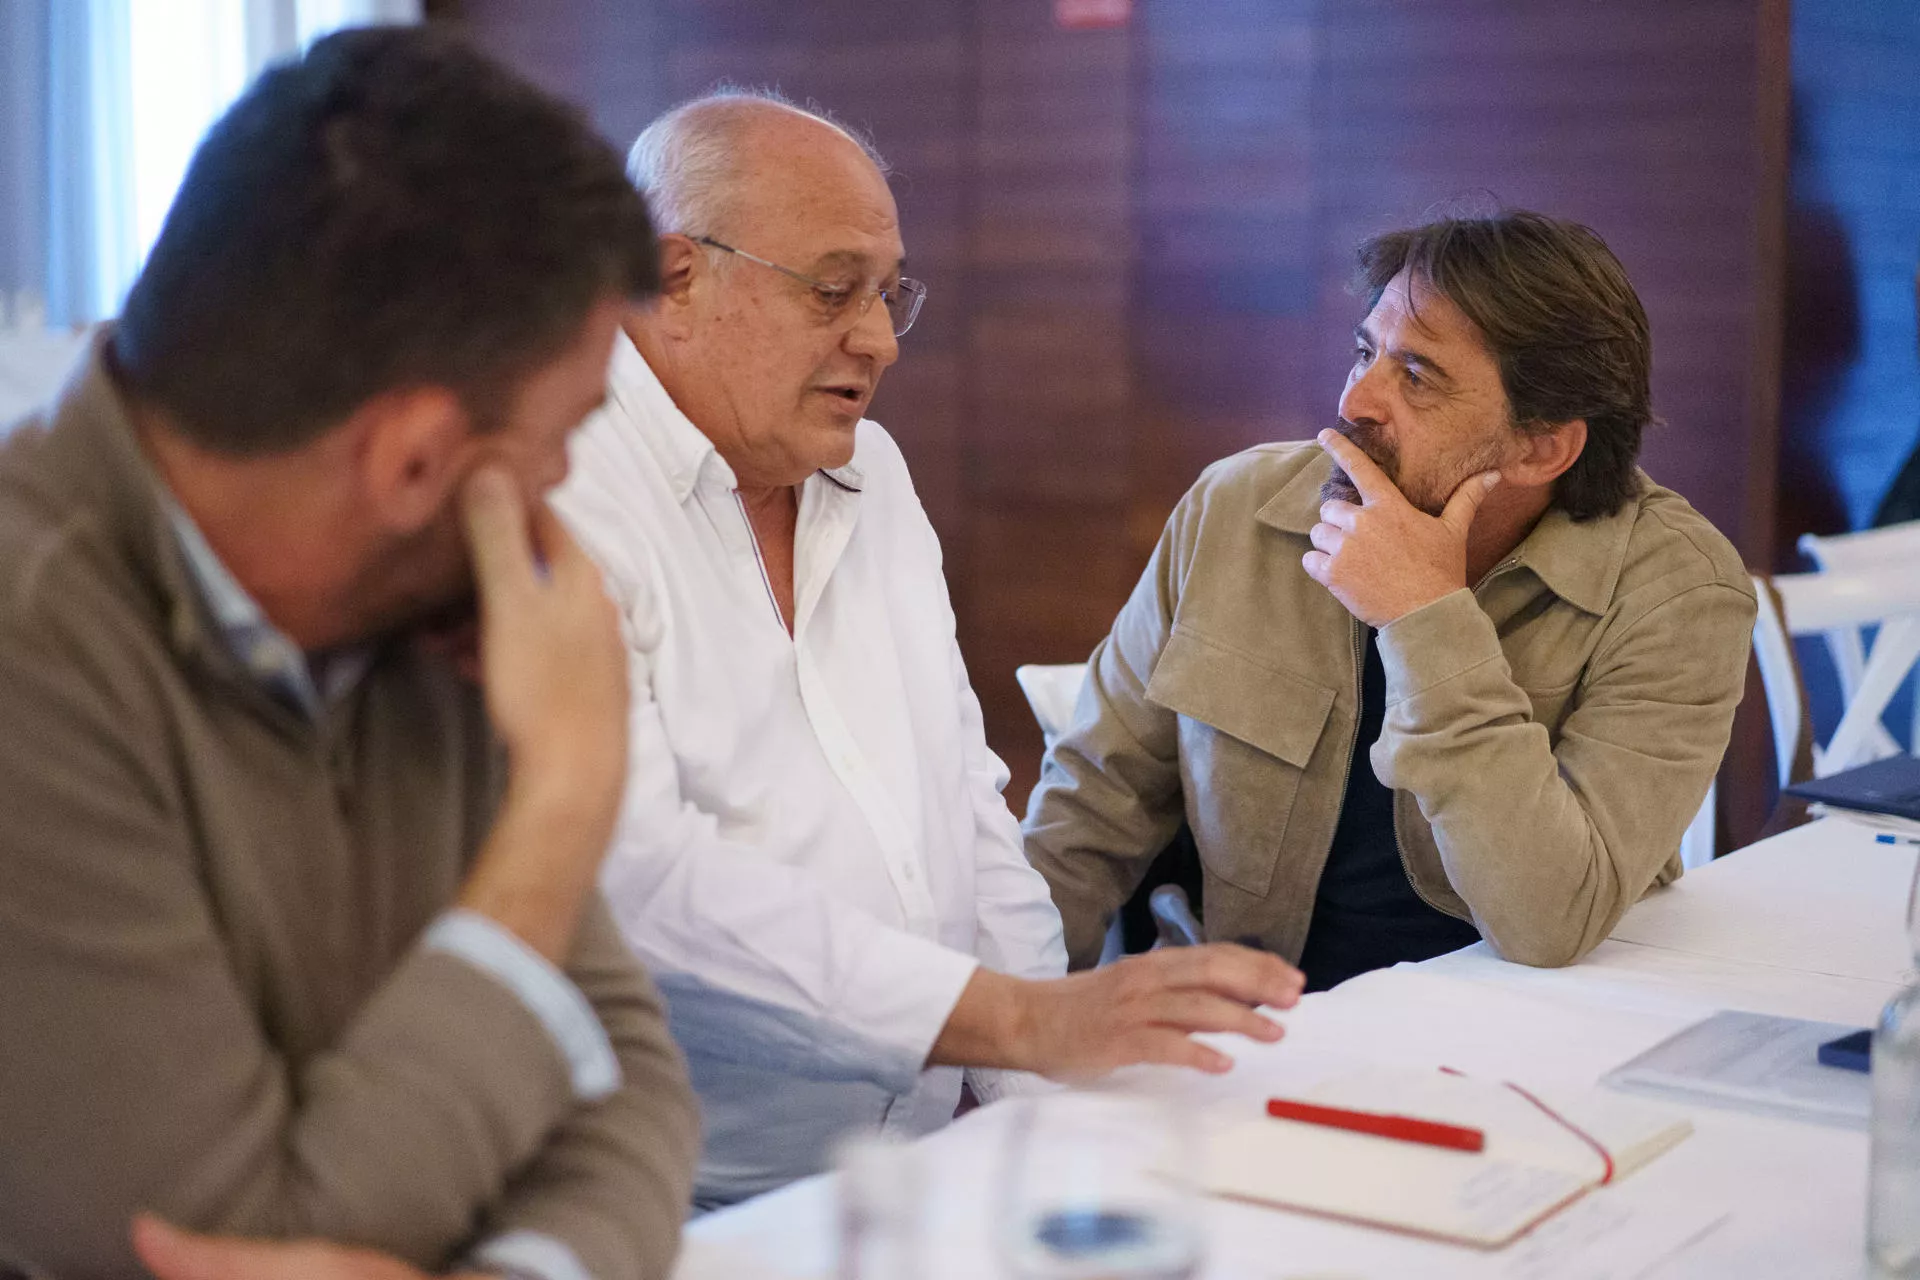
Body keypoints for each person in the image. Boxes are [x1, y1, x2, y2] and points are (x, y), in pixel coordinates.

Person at [0, 29, 696, 1280]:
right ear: (416, 461)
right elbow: (230, 1246)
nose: (560, 487)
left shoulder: (425, 596)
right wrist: (561, 808)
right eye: (568, 430)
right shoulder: (29, 648)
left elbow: (634, 1093)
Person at [552, 90, 1304, 1207]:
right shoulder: (558, 492)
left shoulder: (877, 475)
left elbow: (961, 796)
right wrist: (1021, 1020)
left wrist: (1033, 1101)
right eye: (833, 288)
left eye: (891, 290)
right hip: (685, 1201)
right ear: (676, 277)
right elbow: (640, 884)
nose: (881, 339)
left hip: (932, 1159)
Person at [1025, 211, 1758, 990]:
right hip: (1251, 1033)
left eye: (1417, 377)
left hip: (1519, 1043)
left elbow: (1550, 921)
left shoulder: (1679, 595)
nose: (1357, 401)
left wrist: (1427, 619)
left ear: (1542, 447)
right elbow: (1092, 808)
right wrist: (1000, 1025)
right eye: (1364, 352)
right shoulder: (1236, 511)